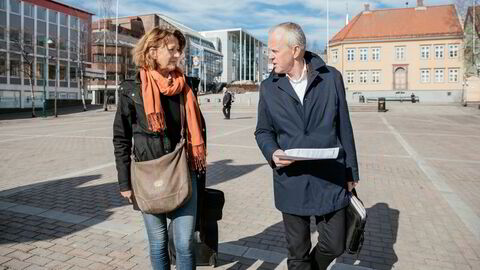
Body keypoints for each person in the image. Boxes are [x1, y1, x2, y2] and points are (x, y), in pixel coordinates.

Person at [255, 22, 360, 270]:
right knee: (297, 254)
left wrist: (351, 172)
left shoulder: (331, 77)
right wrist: (272, 152)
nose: (269, 57)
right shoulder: (269, 87)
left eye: (274, 51)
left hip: (330, 178)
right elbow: (263, 131)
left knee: (335, 245)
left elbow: (344, 126)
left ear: (295, 50)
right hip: (291, 179)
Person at [113, 27, 206, 270]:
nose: (178, 55)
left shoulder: (186, 86)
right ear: (153, 51)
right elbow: (121, 137)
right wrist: (124, 181)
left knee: (184, 243)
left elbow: (200, 132)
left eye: (179, 50)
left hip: (184, 173)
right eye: (172, 50)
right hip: (148, 176)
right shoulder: (131, 89)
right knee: (158, 241)